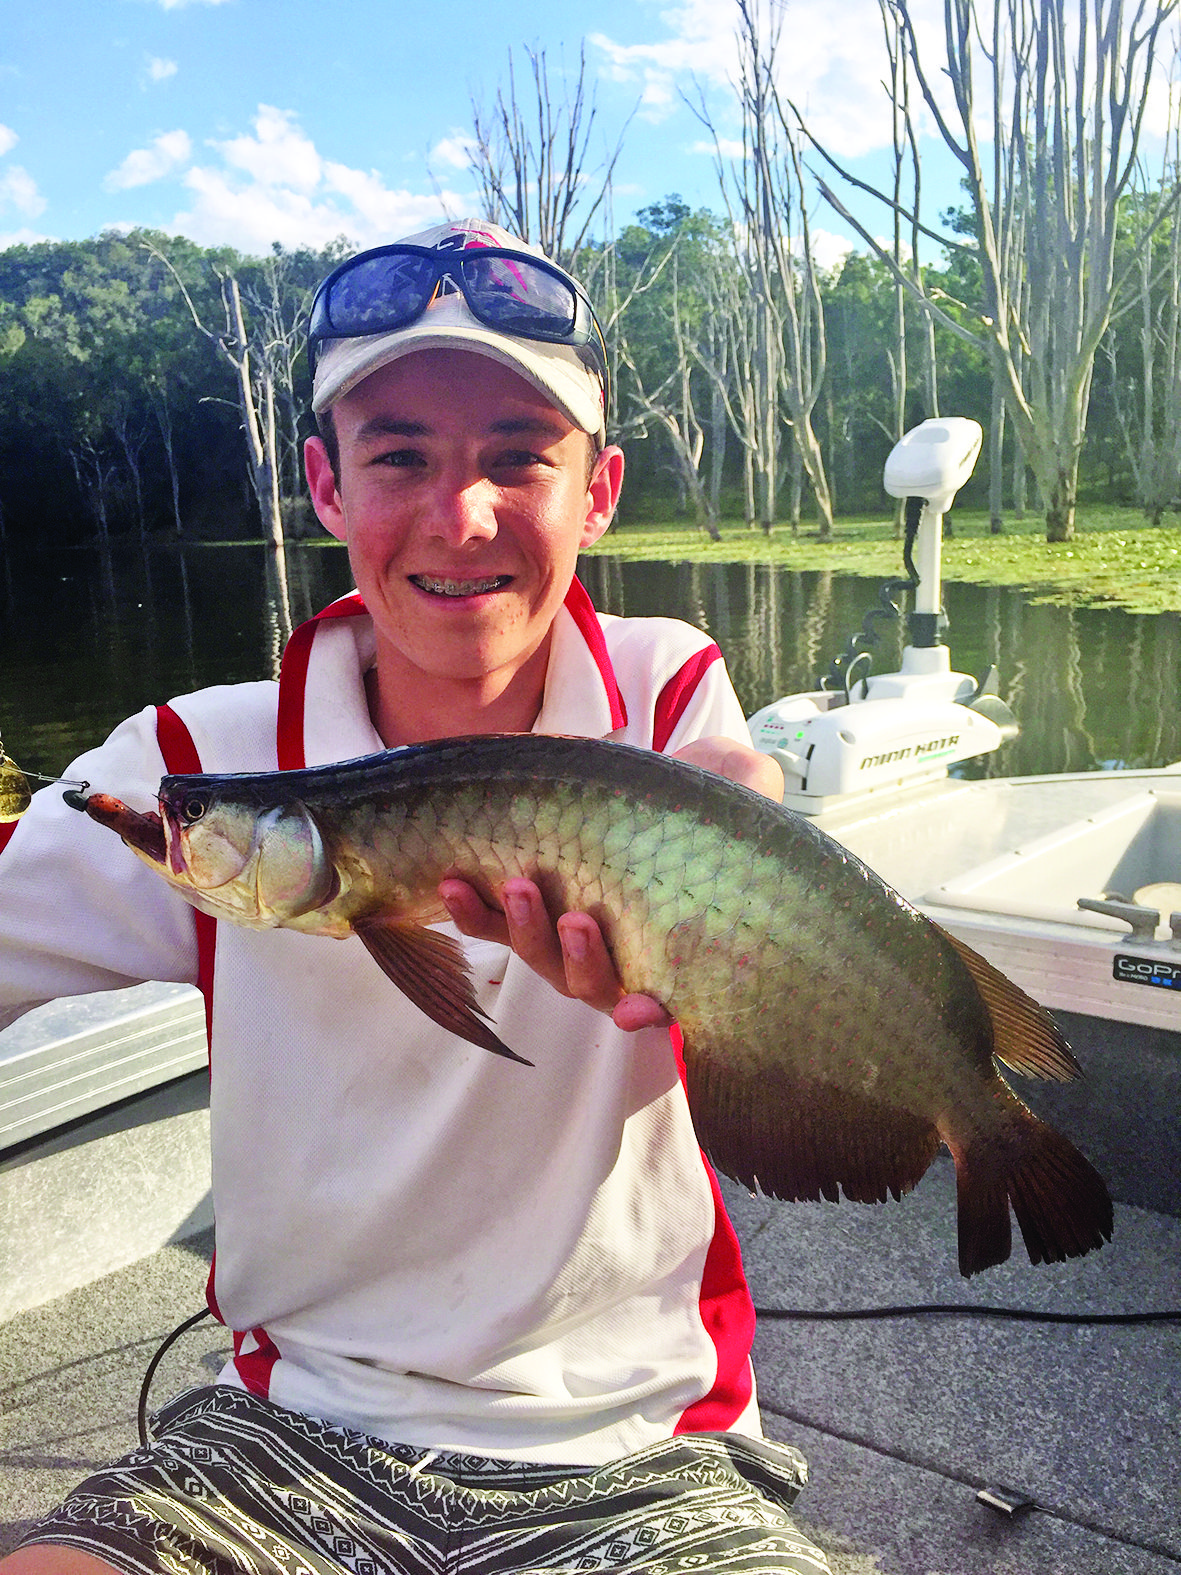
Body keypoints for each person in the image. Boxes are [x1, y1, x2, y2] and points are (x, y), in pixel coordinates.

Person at [0, 220, 830, 1575]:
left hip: (635, 1440)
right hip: (290, 1427)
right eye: (402, 457)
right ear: (325, 483)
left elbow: (736, 795)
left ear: (599, 489)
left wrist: (742, 849)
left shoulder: (667, 691)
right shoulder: (196, 764)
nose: (461, 516)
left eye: (519, 455)